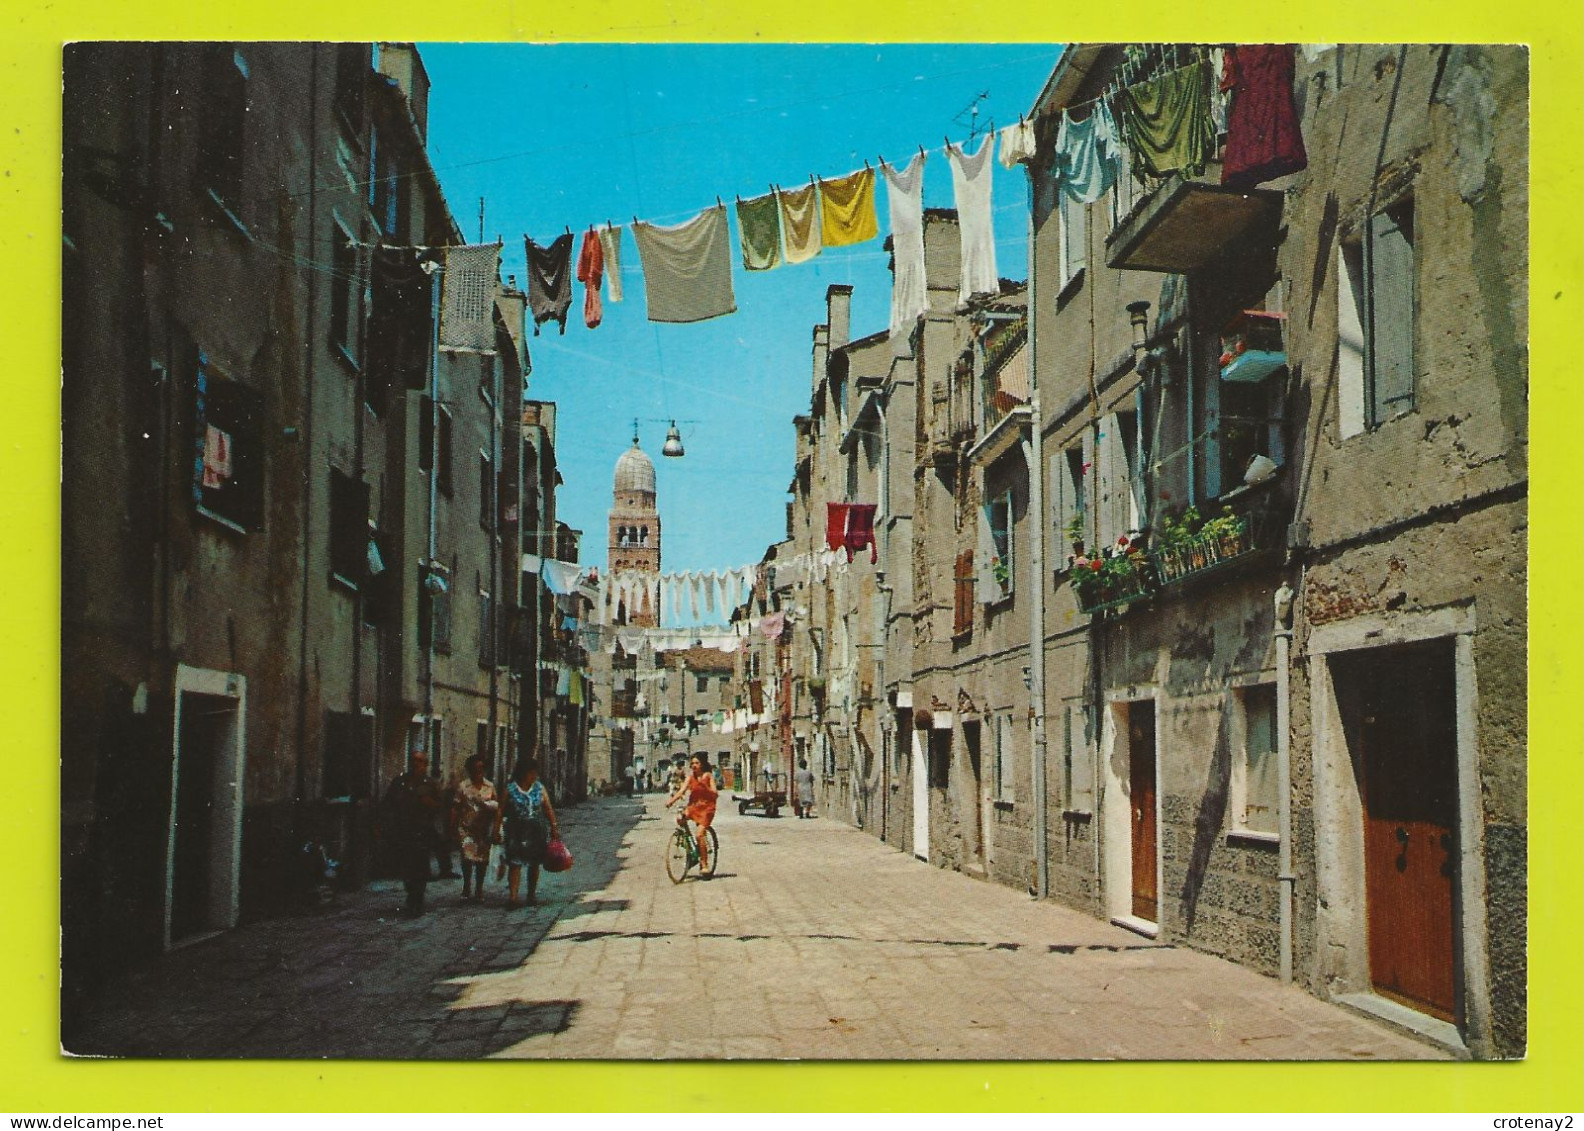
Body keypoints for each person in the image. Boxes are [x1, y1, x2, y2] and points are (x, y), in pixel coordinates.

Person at [381, 750, 446, 917]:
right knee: (405, 866)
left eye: (419, 761)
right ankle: (411, 894)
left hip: (422, 830)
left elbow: (441, 807)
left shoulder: (431, 784)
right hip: (403, 830)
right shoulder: (400, 782)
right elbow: (389, 803)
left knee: (420, 867)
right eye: (413, 761)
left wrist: (429, 803)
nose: (415, 764)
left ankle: (417, 899)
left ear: (425, 764)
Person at [501, 757, 559, 907]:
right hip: (516, 831)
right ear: (522, 773)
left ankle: (531, 895)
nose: (534, 776)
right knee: (515, 863)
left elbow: (548, 808)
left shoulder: (539, 788)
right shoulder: (511, 789)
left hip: (536, 831)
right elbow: (500, 810)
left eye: (535, 773)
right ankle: (513, 897)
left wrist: (553, 827)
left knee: (534, 863)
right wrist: (496, 829)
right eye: (531, 773)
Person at [450, 754, 499, 902]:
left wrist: (496, 828)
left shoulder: (489, 786)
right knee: (467, 857)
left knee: (482, 860)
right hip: (466, 828)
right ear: (470, 770)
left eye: (481, 768)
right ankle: (466, 886)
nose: (479, 771)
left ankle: (479, 889)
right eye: (475, 768)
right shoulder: (463, 786)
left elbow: (497, 807)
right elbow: (456, 807)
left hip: (483, 830)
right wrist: (452, 827)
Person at [666, 754, 718, 875]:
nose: (694, 765)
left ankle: (704, 864)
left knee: (699, 834)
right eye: (692, 763)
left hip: (707, 807)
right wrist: (671, 801)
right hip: (694, 806)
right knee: (680, 819)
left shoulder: (708, 776)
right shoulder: (690, 778)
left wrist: (707, 788)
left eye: (697, 763)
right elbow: (681, 791)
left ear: (702, 765)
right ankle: (691, 850)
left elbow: (715, 793)